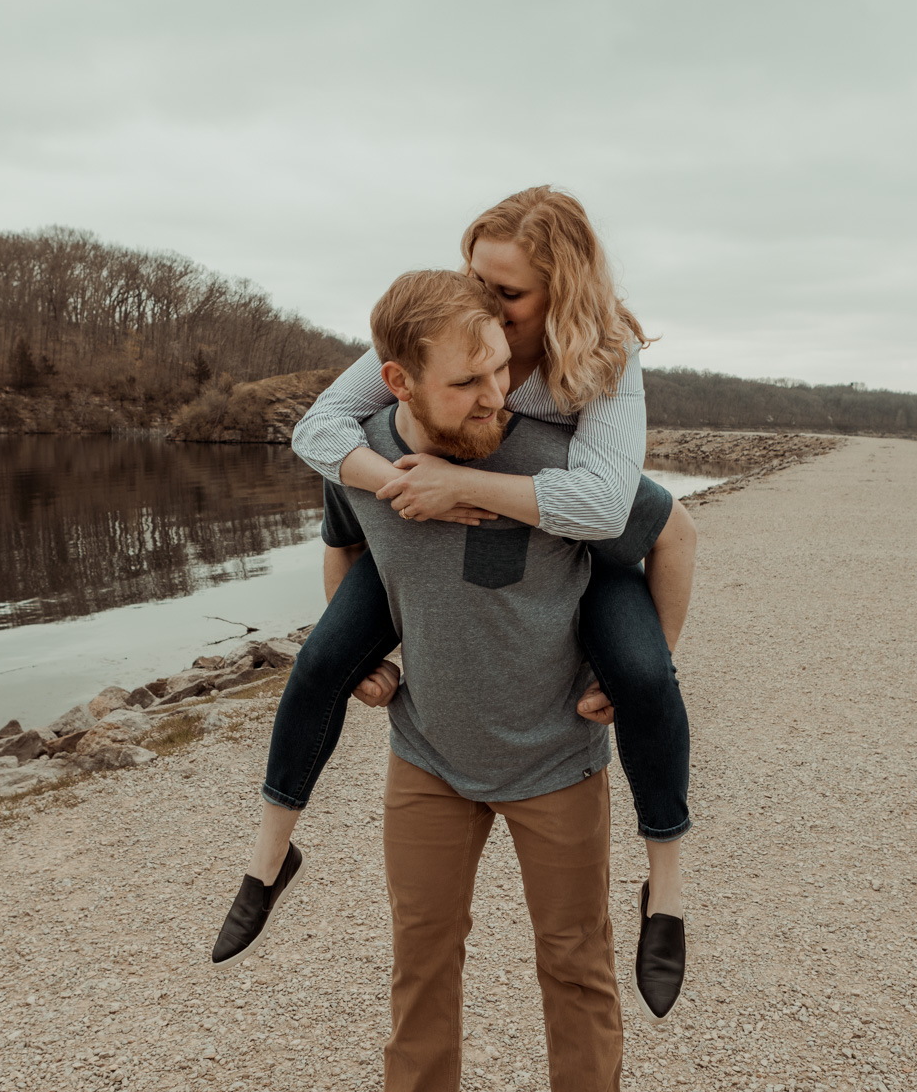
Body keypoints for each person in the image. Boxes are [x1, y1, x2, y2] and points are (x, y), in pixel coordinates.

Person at [211, 188, 695, 1022]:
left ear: (563, 293)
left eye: (508, 295)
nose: (486, 307)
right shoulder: (444, 325)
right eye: (477, 281)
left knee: (648, 679)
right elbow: (322, 431)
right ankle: (268, 859)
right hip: (443, 518)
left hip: (579, 535)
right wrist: (397, 483)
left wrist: (459, 486)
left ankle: (668, 894)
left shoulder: (605, 352)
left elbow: (610, 507)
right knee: (321, 662)